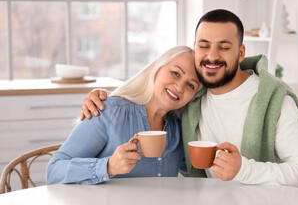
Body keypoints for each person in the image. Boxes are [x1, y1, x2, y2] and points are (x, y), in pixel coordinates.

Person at [80, 9, 298, 191]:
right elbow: (156, 91)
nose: (212, 56)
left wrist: (244, 169)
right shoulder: (191, 96)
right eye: (204, 46)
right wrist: (104, 96)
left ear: (241, 53)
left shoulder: (273, 101)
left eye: (224, 47)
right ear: (195, 49)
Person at [46, 46, 201, 185]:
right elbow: (54, 171)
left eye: (190, 85)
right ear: (157, 68)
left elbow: (195, 173)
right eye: (175, 73)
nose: (180, 87)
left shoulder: (179, 129)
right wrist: (108, 166)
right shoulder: (108, 111)